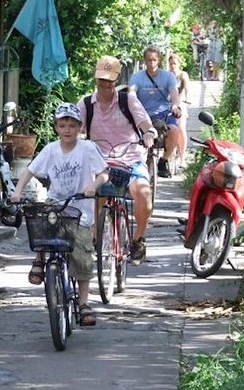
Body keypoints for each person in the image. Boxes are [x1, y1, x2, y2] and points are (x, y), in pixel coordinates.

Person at [10, 103, 108, 327]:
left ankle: (84, 303)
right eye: (62, 125)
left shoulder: (88, 149)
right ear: (56, 127)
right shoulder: (51, 149)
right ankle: (39, 259)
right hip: (57, 202)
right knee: (42, 226)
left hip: (80, 207)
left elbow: (104, 174)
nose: (67, 130)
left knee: (82, 254)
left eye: (72, 126)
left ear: (79, 128)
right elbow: (30, 170)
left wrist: (93, 185)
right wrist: (17, 191)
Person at [77, 55, 157, 263]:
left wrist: (148, 134)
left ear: (116, 79)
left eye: (109, 79)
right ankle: (94, 236)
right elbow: (75, 129)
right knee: (91, 194)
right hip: (100, 161)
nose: (105, 84)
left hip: (130, 159)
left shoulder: (127, 100)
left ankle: (138, 239)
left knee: (143, 194)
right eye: (101, 79)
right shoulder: (86, 104)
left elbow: (146, 125)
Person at [129, 45, 184, 178]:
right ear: (144, 61)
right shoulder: (137, 77)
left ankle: (163, 161)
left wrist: (175, 106)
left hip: (163, 113)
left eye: (154, 60)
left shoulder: (168, 77)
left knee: (174, 130)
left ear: (158, 60)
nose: (151, 63)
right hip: (143, 114)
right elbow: (131, 93)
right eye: (148, 60)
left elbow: (174, 94)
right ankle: (131, 163)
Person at [167, 52, 190, 165]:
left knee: (181, 129)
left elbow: (186, 89)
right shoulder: (166, 76)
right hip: (168, 105)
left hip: (180, 104)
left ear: (178, 64)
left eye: (175, 64)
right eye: (171, 64)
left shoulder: (182, 75)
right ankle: (170, 155)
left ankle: (182, 157)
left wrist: (186, 99)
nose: (172, 66)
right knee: (169, 129)